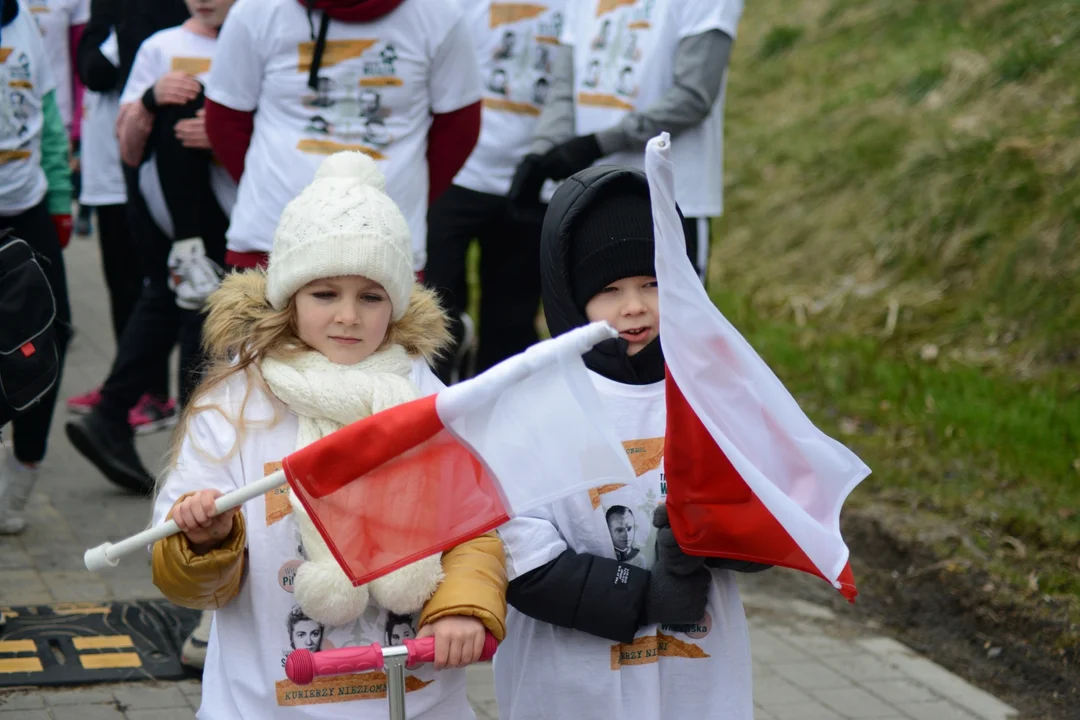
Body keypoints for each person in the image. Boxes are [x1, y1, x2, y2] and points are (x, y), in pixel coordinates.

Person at [150, 152, 506, 719]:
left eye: (370, 296)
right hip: (268, 699)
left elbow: (477, 525)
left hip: (412, 699)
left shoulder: (427, 398)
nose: (348, 316)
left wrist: (463, 607)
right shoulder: (235, 404)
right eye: (324, 294)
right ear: (289, 297)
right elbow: (186, 578)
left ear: (396, 301)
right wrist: (205, 538)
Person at [494, 165, 768, 719]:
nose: (634, 306)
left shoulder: (713, 388)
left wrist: (710, 541)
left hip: (695, 670)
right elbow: (518, 549)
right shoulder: (529, 402)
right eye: (609, 290)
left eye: (652, 283)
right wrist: (643, 595)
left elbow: (770, 508)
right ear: (569, 296)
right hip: (571, 682)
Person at [65, 0, 237, 492]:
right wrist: (149, 101)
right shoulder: (160, 46)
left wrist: (221, 132)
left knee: (171, 302)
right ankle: (191, 466)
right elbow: (129, 143)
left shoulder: (259, 35)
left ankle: (114, 418)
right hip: (173, 208)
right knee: (190, 305)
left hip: (240, 201)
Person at [202, 0, 484, 274]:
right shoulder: (257, 10)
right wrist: (268, 186)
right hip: (269, 239)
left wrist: (402, 195)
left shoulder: (439, 14)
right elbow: (225, 118)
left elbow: (458, 127)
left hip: (385, 245)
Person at [508, 0, 742, 284]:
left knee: (675, 326)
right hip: (591, 196)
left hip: (672, 200)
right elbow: (565, 90)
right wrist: (540, 155)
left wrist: (597, 144)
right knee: (596, 323)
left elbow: (693, 96)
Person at [423, 0, 567, 384]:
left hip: (536, 180)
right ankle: (432, 412)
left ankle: (495, 426)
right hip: (457, 173)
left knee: (511, 325)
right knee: (433, 307)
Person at [66, 26, 173, 432]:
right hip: (103, 176)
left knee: (147, 290)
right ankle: (123, 383)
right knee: (122, 288)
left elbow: (95, 72)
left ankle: (153, 394)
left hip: (130, 175)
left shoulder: (132, 21)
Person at [0, 0, 74, 534]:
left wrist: (60, 198)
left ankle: (22, 471)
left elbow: (47, 115)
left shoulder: (23, 18)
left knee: (55, 330)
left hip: (29, 203)